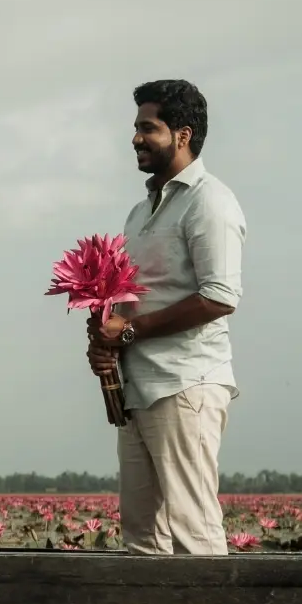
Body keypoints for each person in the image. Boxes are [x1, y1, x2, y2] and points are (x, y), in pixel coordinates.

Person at [88, 81, 245, 556]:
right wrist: (104, 336)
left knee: (193, 531)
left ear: (183, 134)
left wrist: (130, 331)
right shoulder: (140, 212)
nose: (135, 138)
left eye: (147, 128)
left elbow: (220, 296)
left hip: (186, 383)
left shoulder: (208, 201)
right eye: (136, 128)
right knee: (142, 538)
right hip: (139, 388)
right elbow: (129, 298)